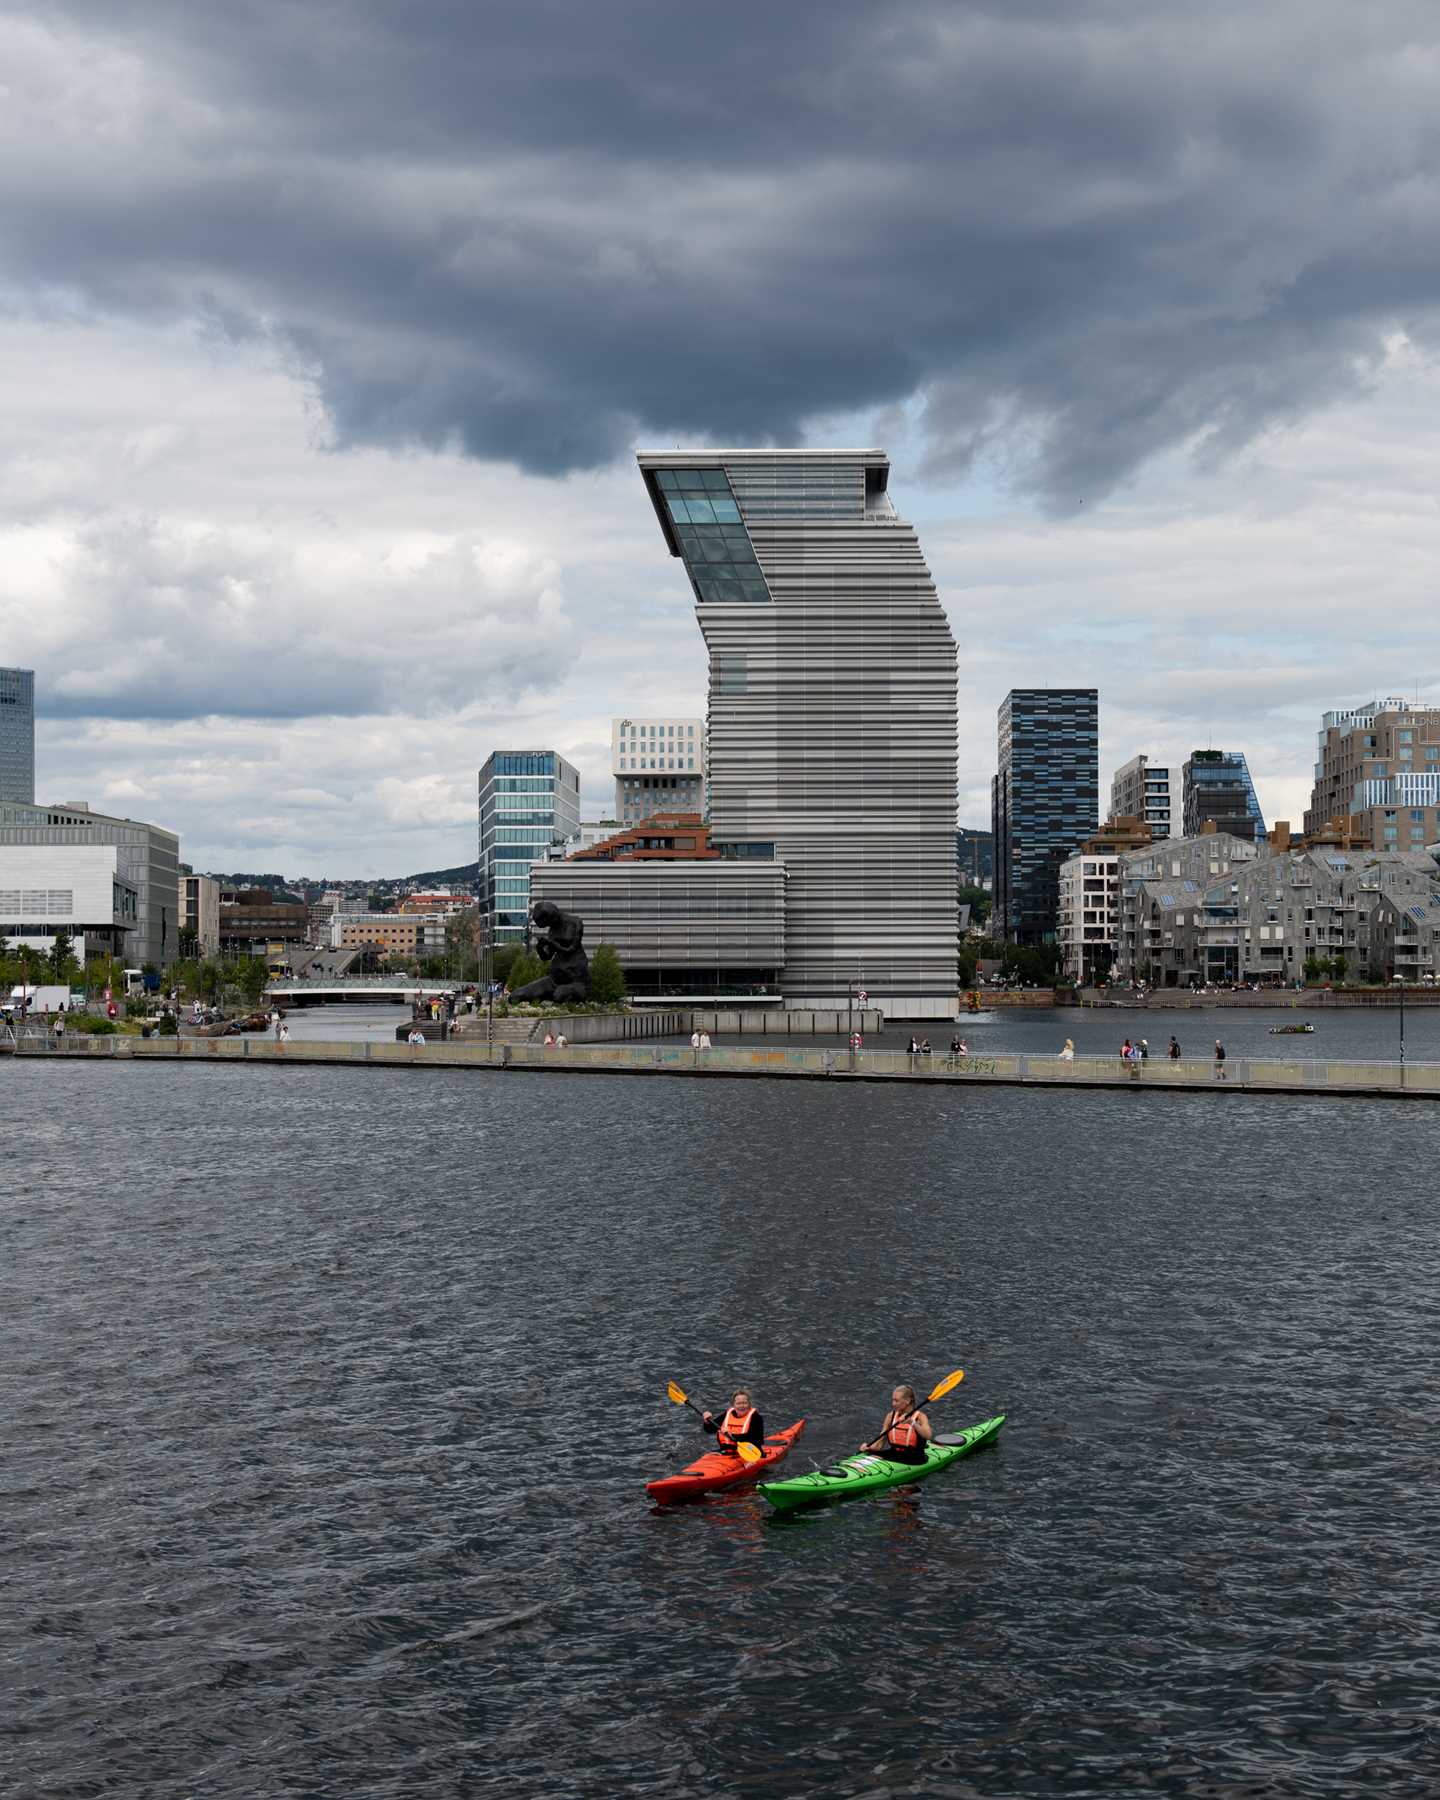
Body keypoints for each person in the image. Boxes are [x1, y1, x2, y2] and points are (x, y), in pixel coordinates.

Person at [860, 1383, 933, 1465]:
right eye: (893, 1400)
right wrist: (869, 1448)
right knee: (869, 1454)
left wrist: (912, 1422)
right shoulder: (890, 1416)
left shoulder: (920, 1417)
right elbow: (880, 1443)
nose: (893, 1404)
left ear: (908, 1401)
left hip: (914, 1459)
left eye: (896, 1400)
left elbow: (928, 1436)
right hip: (894, 1454)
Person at [702, 1389, 765, 1454]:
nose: (742, 1406)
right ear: (733, 1405)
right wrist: (707, 1421)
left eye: (745, 1403)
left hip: (749, 1452)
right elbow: (710, 1430)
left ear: (749, 1404)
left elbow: (756, 1440)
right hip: (726, 1451)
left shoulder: (756, 1418)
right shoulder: (728, 1414)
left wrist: (732, 1435)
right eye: (738, 1403)